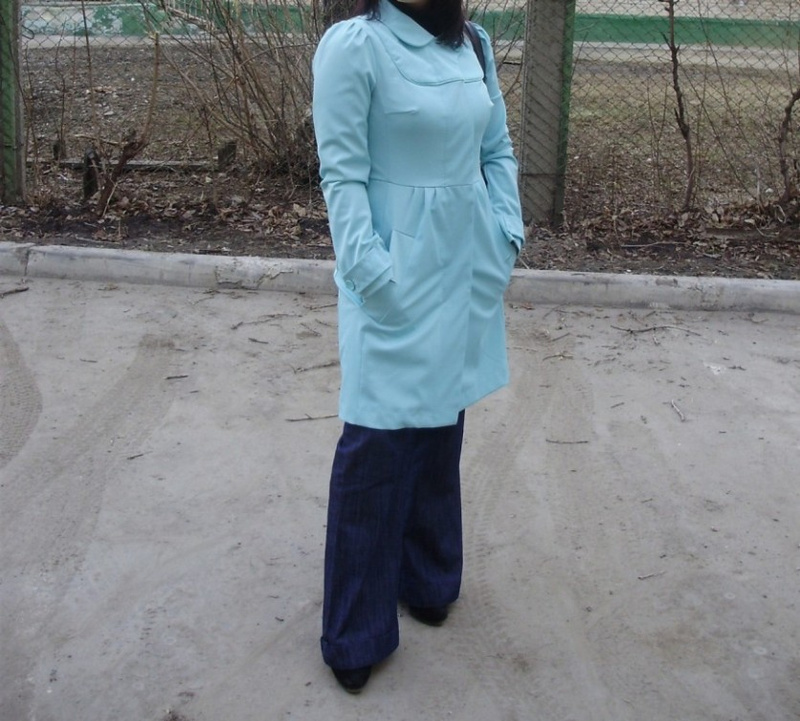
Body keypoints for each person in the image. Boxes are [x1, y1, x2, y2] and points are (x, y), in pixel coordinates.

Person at [311, 0, 524, 694]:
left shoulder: (473, 44)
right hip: (395, 272)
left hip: (466, 262)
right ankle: (356, 629)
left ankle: (429, 577)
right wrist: (370, 272)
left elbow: (497, 150)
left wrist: (506, 232)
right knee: (377, 441)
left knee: (441, 423)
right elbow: (342, 174)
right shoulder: (356, 47)